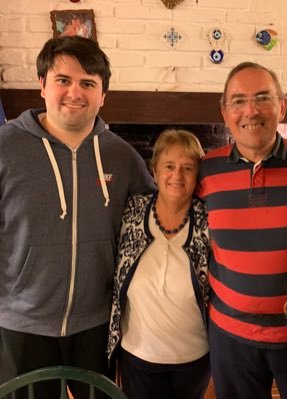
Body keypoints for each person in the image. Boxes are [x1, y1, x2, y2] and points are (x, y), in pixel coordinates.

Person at [0, 36, 155, 398]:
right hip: (21, 323)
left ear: (103, 95)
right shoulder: (5, 149)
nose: (75, 93)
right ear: (42, 86)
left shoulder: (123, 157)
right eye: (63, 80)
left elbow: (154, 221)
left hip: (96, 323)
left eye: (88, 83)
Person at [197, 61, 287, 399]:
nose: (251, 110)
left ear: (282, 105)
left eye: (263, 97)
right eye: (238, 100)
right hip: (231, 339)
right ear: (224, 111)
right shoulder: (205, 170)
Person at [107, 129, 211, 399]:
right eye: (169, 166)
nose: (177, 175)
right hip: (138, 354)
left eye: (188, 168)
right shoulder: (131, 210)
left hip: (193, 357)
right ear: (154, 171)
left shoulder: (209, 219)